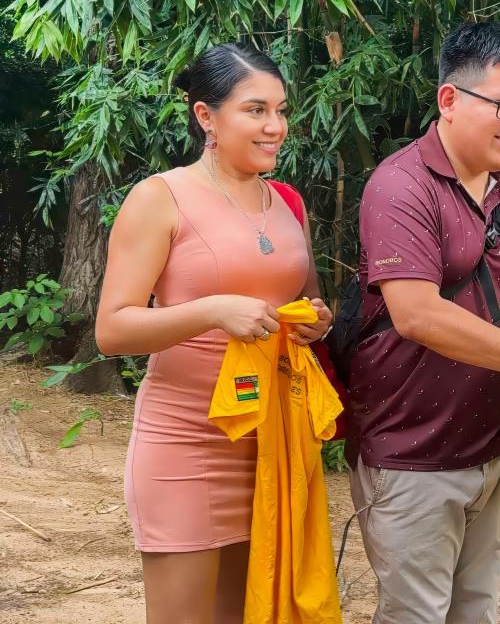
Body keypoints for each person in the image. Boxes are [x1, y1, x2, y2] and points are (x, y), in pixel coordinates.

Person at [343, 22, 500, 624]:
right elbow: (417, 314)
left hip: (491, 446)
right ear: (449, 100)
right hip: (411, 453)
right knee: (416, 615)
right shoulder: (400, 186)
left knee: (476, 613)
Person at [94, 43, 332, 624]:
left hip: (269, 437)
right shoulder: (160, 197)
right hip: (187, 443)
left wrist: (313, 320)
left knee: (247, 613)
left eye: (280, 110)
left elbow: (298, 299)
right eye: (255, 110)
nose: (275, 126)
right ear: (206, 116)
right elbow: (113, 328)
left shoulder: (286, 203)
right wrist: (212, 311)